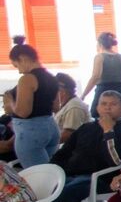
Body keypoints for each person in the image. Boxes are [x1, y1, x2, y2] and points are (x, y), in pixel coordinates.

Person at [9, 37, 60, 167]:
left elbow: (23, 112)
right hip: (51, 127)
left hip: (31, 131)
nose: (19, 71)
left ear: (23, 59)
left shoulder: (27, 79)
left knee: (39, 175)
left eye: (17, 65)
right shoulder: (52, 78)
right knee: (51, 171)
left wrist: (11, 102)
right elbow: (56, 107)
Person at [83, 31, 121, 118]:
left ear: (100, 44)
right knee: (118, 117)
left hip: (104, 89)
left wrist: (84, 94)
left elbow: (96, 76)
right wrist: (117, 75)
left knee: (97, 115)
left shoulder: (99, 57)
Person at [53, 72, 90, 144]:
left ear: (62, 91)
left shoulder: (74, 107)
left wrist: (46, 144)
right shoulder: (67, 105)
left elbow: (68, 135)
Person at [0, 89, 16, 162]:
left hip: (10, 162)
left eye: (5, 102)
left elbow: (8, 146)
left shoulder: (23, 123)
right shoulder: (4, 118)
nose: (3, 106)